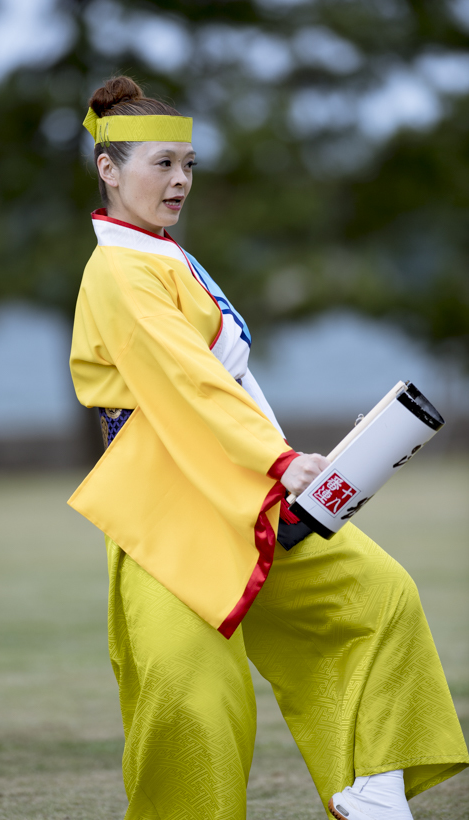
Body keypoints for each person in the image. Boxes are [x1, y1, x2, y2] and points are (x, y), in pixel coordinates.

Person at [68, 76, 468, 820]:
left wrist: (280, 464)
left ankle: (367, 786)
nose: (180, 180)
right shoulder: (118, 271)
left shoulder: (163, 258)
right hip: (172, 503)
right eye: (162, 164)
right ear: (109, 168)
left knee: (376, 600)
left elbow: (219, 384)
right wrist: (281, 460)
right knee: (189, 699)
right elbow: (188, 383)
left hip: (244, 485)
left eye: (188, 164)